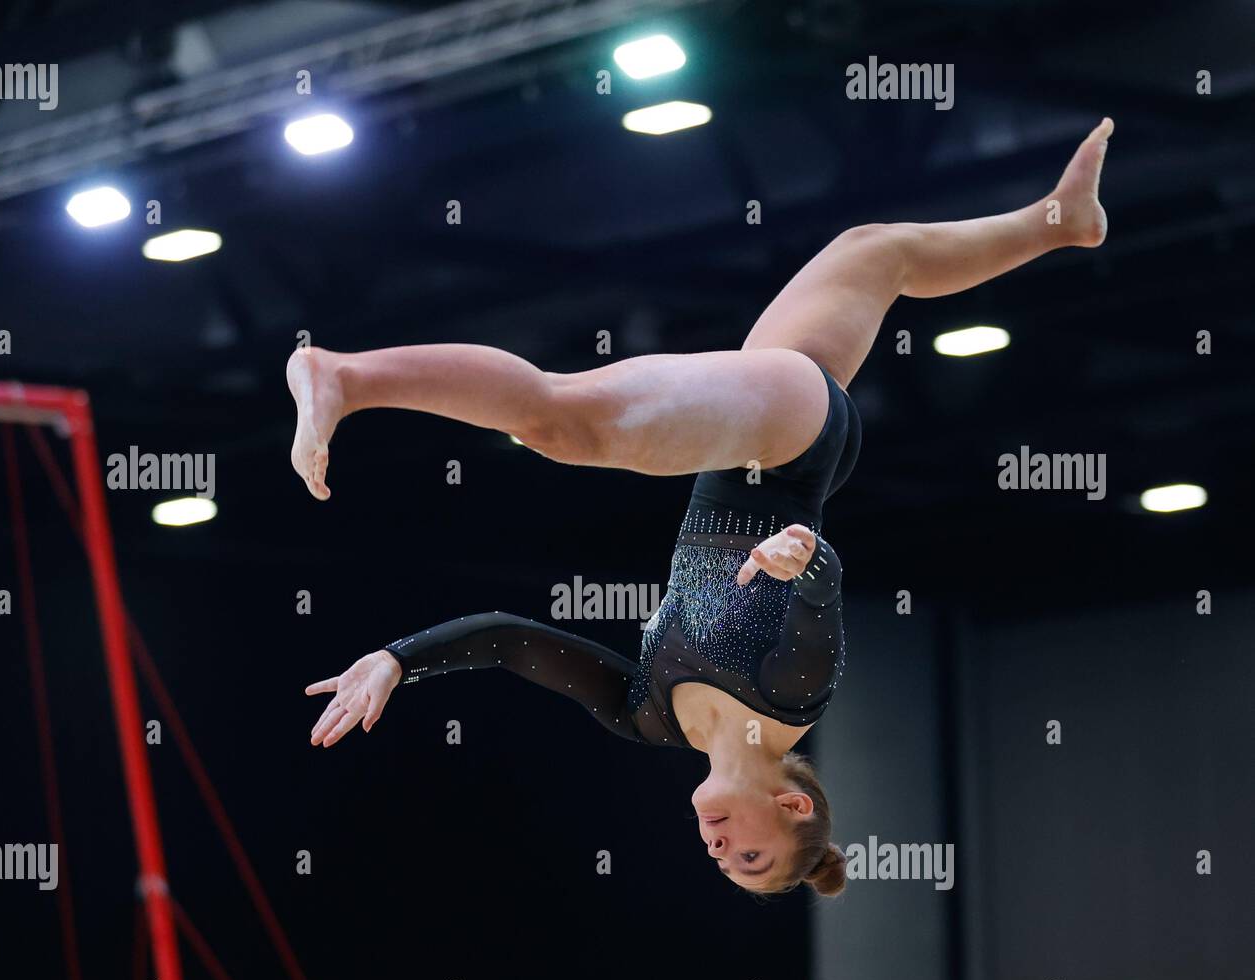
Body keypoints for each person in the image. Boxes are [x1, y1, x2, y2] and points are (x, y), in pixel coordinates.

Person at [293, 120, 1114, 896]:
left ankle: (1058, 222)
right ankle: (346, 378)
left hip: (766, 434)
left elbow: (513, 642)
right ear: (794, 806)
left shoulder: (647, 718)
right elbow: (820, 586)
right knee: (562, 426)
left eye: (724, 864)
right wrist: (802, 558)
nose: (720, 849)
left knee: (877, 253)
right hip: (783, 447)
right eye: (751, 854)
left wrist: (400, 659)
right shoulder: (789, 696)